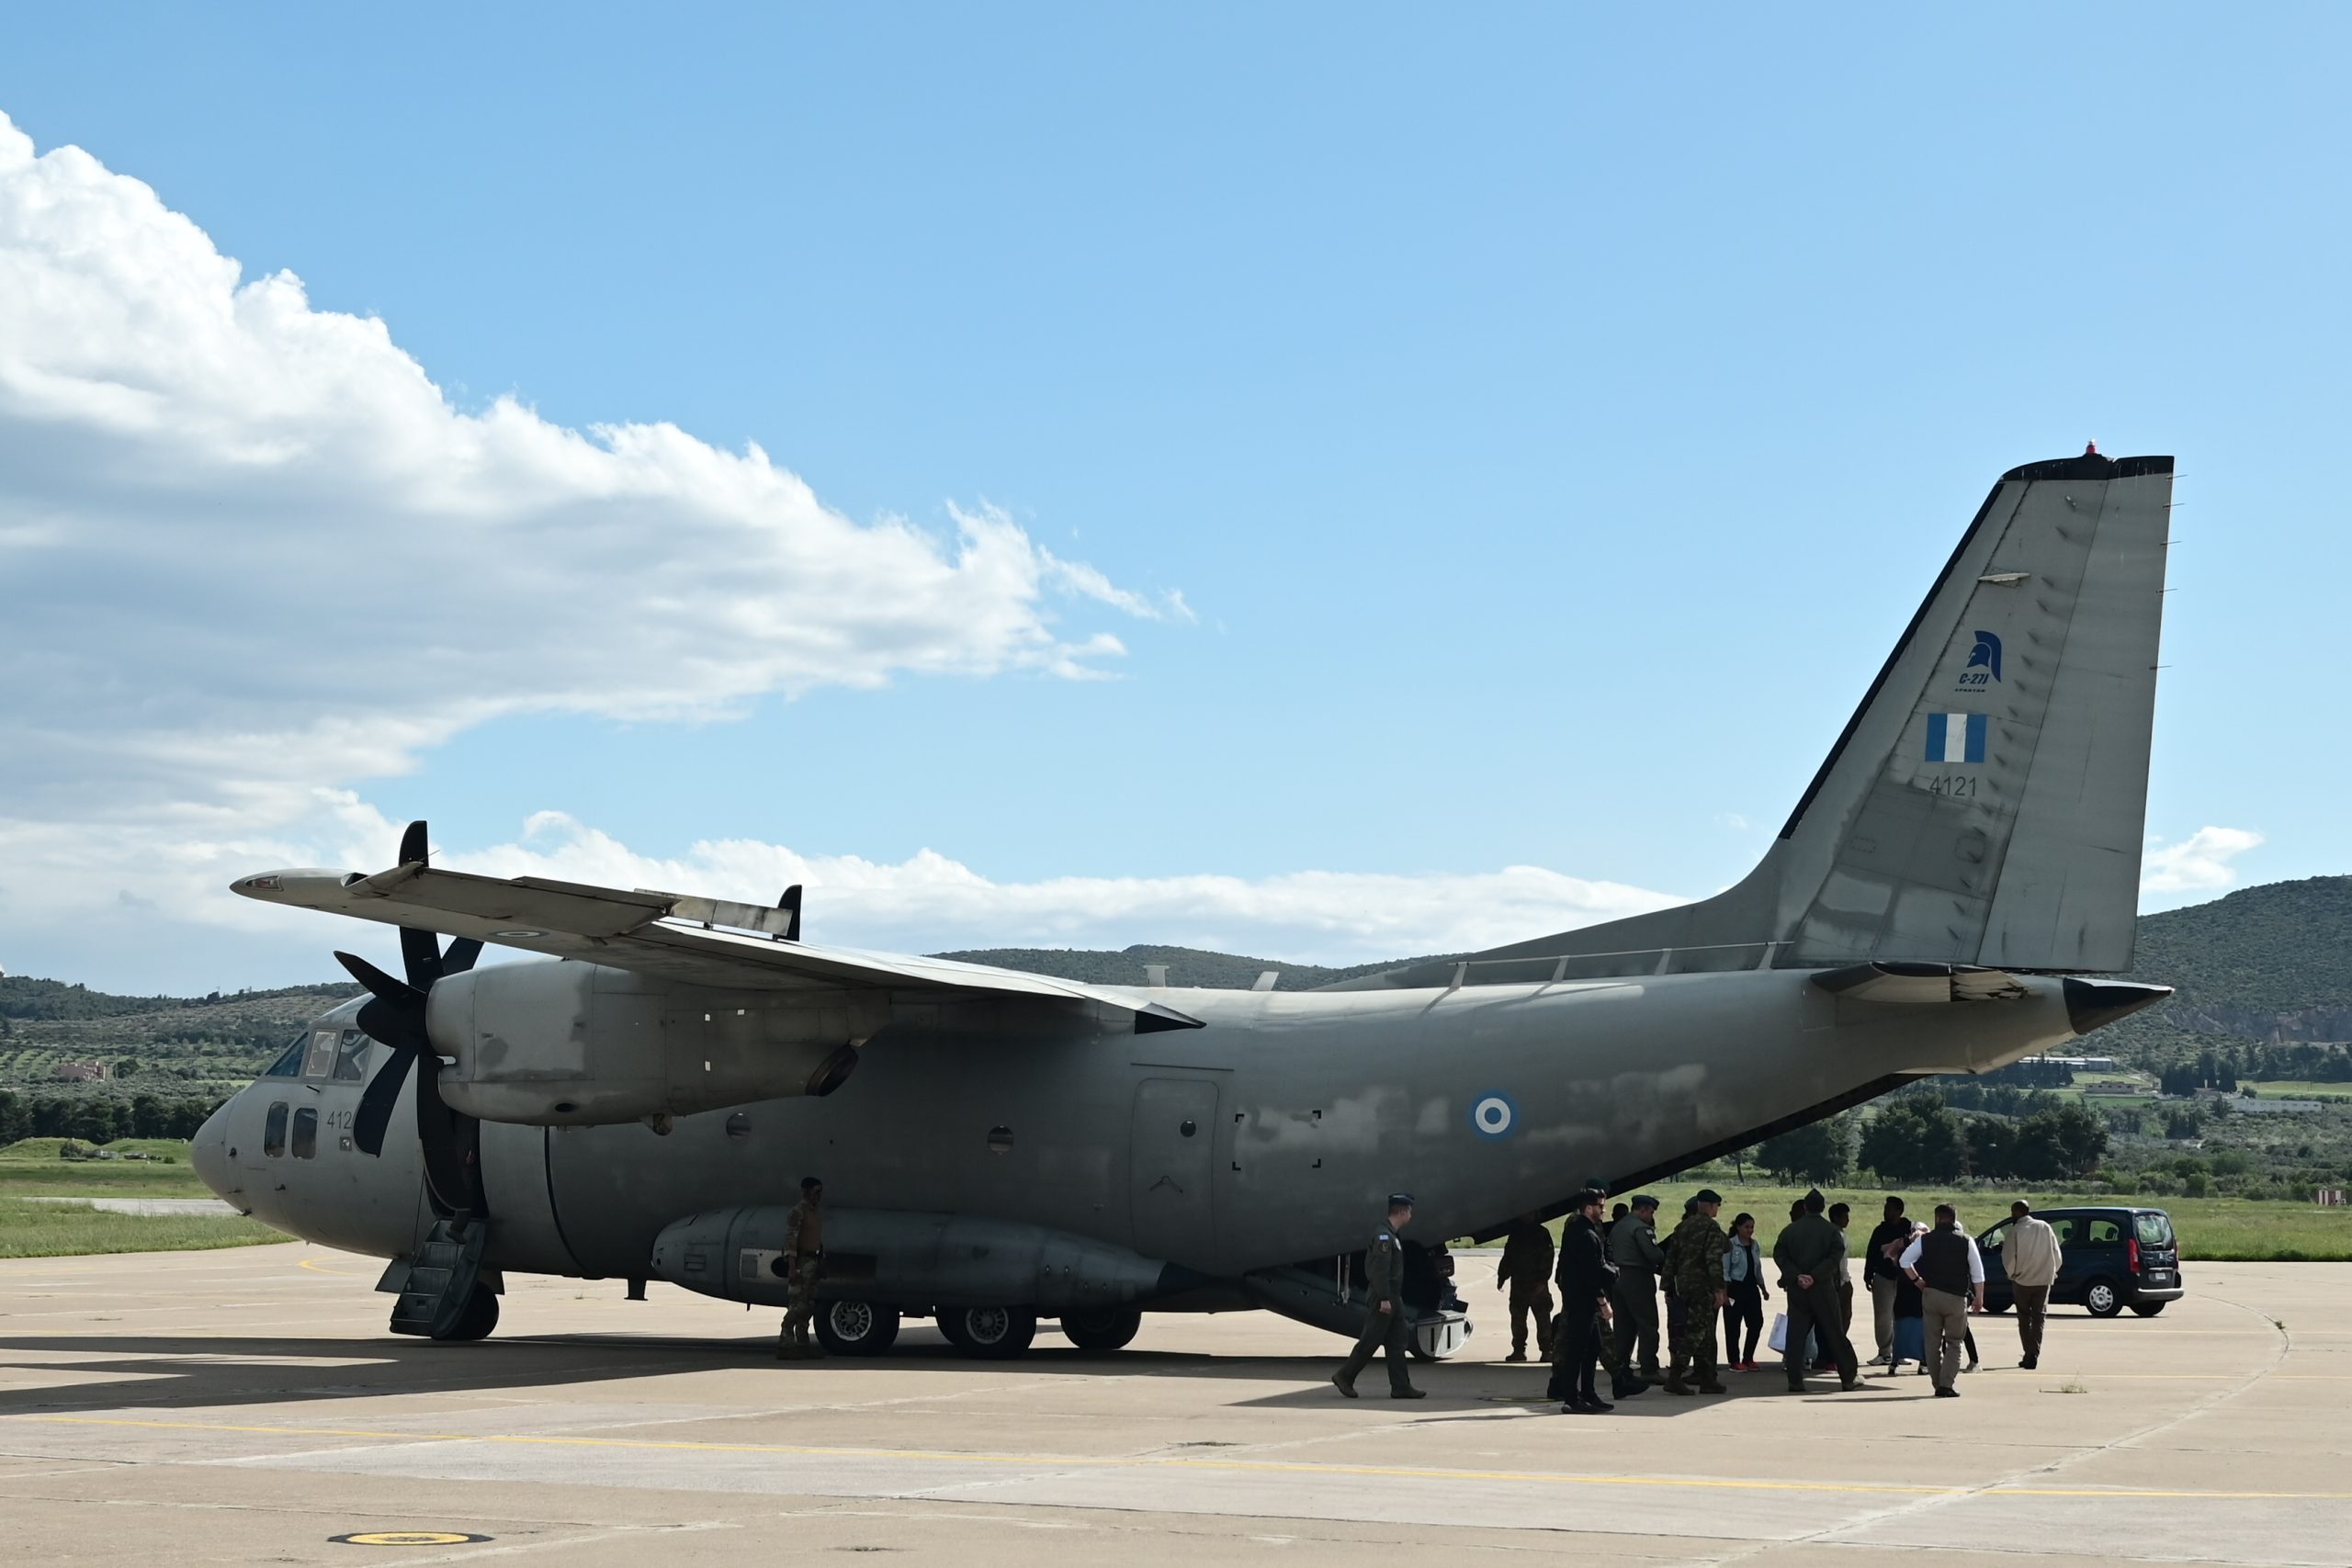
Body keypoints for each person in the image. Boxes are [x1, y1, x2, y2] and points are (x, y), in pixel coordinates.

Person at [1334, 1193, 1427, 1399]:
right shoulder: (1383, 1237)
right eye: (1409, 1211)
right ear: (1402, 1212)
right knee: (1370, 1340)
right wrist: (1384, 1298)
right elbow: (1380, 1271)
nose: (1411, 1215)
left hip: (1393, 1297)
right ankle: (1345, 1376)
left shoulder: (1391, 1235)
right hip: (1383, 1297)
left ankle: (1401, 1386)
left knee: (1397, 1342)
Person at [1771, 1188, 1860, 1392]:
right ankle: (1848, 1377)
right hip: (1822, 1288)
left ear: (1804, 1207)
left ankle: (1795, 1380)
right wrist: (1816, 1276)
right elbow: (1834, 1256)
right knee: (1835, 1334)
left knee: (1795, 1336)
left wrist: (1796, 1276)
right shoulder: (1831, 1231)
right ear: (1822, 1208)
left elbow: (1780, 1254)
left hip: (1798, 1290)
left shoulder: (1790, 1230)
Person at [1901, 1203, 1984, 1397]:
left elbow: (1905, 1260)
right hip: (1956, 1297)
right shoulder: (1966, 1241)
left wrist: (1917, 1280)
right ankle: (1946, 1384)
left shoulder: (1925, 1240)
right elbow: (1977, 1273)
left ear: (1937, 1219)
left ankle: (1937, 1382)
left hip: (1931, 1295)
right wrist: (1979, 1297)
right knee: (1954, 1342)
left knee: (1932, 1342)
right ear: (1955, 1219)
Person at [1549, 1189, 1617, 1413]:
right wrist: (1603, 1301)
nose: (1603, 1210)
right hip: (1583, 1300)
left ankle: (1588, 1393)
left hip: (1578, 1298)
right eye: (1600, 1206)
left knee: (1593, 1346)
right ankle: (1571, 1398)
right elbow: (1591, 1273)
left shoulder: (1578, 1229)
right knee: (1578, 1349)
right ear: (1589, 1208)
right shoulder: (1586, 1235)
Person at [1664, 1190, 1731, 1395]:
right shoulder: (1711, 1227)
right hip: (1701, 1286)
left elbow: (1670, 1259)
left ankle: (1707, 1378)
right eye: (1717, 1206)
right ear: (1711, 1206)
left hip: (1683, 1285)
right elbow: (1713, 1260)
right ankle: (1675, 1376)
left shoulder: (1682, 1226)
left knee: (1707, 1333)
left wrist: (1667, 1287)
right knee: (1697, 1332)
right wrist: (1719, 1289)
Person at [1609, 1193, 1667, 1392]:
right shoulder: (1641, 1228)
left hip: (1617, 1277)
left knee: (1623, 1327)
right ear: (1642, 1210)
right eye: (1650, 1212)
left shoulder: (1619, 1226)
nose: (1651, 1216)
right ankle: (1649, 1367)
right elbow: (1654, 1254)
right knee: (1647, 1324)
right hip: (1638, 1277)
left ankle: (1620, 1366)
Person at [2005, 1199, 2064, 1370]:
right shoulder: (2045, 1227)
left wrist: (2012, 1274)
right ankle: (2034, 1352)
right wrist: (2052, 1271)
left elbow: (2009, 1258)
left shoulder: (2015, 1231)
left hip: (2022, 1281)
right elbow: (2057, 1254)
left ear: (2016, 1212)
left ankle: (2028, 1353)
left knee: (2024, 1318)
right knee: (2039, 1318)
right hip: (2043, 1281)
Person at [1495, 1212, 1556, 1362]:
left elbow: (1548, 1258)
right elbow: (1508, 1256)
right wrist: (1502, 1276)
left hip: (1537, 1285)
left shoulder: (1542, 1234)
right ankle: (1518, 1350)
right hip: (1519, 1285)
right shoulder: (1516, 1234)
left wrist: (1542, 1280)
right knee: (1518, 1320)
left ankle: (1547, 1350)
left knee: (1543, 1320)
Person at [776, 1175, 826, 1359]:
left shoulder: (814, 1212)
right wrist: (791, 1267)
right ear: (807, 1191)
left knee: (809, 1305)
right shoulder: (798, 1212)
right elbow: (791, 1240)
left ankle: (803, 1344)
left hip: (812, 1262)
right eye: (816, 1191)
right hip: (801, 1262)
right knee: (798, 1305)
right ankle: (785, 1341)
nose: (819, 1195)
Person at [1862, 1197, 1911, 1366]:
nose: (1885, 1211)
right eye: (1885, 1207)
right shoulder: (1880, 1231)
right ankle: (1884, 1352)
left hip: (1905, 1279)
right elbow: (1871, 1253)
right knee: (1883, 1317)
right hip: (1883, 1277)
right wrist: (1868, 1275)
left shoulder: (1909, 1229)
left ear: (1899, 1211)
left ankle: (1900, 1351)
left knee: (1902, 1316)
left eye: (1889, 1208)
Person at [1720, 1212, 1769, 1371]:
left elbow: (1757, 1268)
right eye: (1746, 1227)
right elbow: (1725, 1270)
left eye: (1752, 1227)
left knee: (1756, 1323)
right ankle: (1734, 1360)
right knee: (1733, 1326)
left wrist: (1763, 1288)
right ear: (1738, 1227)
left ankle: (1748, 1357)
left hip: (1751, 1289)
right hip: (1735, 1288)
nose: (1749, 1230)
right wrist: (1725, 1293)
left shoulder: (1754, 1245)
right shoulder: (1730, 1244)